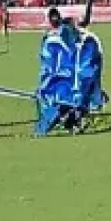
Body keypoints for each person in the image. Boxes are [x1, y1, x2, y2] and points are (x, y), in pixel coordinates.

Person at [35, 8, 80, 136]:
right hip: (58, 74)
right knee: (59, 100)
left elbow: (44, 57)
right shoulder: (55, 34)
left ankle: (60, 124)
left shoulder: (59, 33)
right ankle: (67, 123)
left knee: (59, 100)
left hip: (60, 74)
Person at [76, 17, 106, 113]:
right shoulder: (92, 36)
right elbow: (100, 52)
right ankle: (96, 103)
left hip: (83, 65)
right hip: (92, 64)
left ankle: (93, 103)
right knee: (94, 84)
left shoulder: (73, 35)